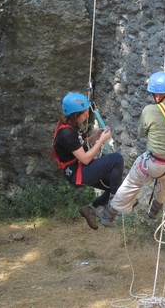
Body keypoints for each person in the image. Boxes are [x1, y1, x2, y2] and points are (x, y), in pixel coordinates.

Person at [99, 71, 165, 226]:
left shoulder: (150, 110)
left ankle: (109, 214)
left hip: (154, 164)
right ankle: (155, 210)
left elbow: (142, 132)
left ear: (157, 96)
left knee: (132, 182)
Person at [50, 92, 124, 230]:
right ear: (74, 114)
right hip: (77, 172)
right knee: (117, 159)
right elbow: (84, 159)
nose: (87, 116)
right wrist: (101, 141)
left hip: (79, 168)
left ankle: (91, 208)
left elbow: (79, 146)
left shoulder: (71, 125)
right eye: (84, 114)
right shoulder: (66, 133)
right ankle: (115, 204)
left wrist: (96, 136)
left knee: (114, 183)